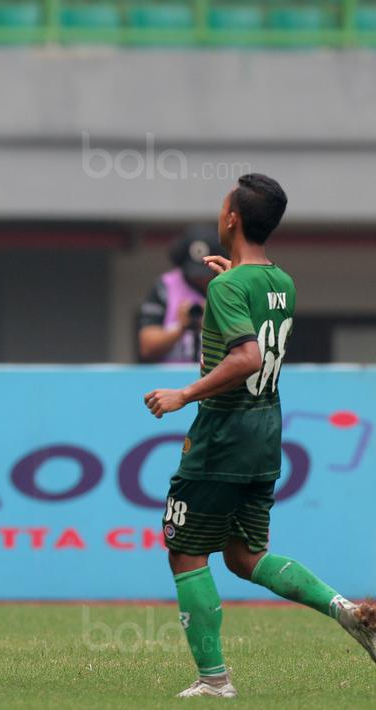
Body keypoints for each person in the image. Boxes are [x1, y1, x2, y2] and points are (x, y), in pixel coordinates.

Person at [144, 174, 376, 699]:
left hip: (223, 434)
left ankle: (213, 680)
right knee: (243, 555)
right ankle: (346, 610)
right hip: (267, 431)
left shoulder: (229, 288)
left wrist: (185, 393)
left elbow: (246, 357)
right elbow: (258, 336)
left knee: (185, 552)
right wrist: (233, 284)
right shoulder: (280, 282)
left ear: (231, 219)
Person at [137, 226, 223, 363]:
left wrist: (211, 324)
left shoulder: (229, 288)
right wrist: (181, 328)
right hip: (173, 380)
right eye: (194, 273)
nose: (200, 278)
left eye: (206, 272)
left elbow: (243, 347)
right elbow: (147, 347)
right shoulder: (165, 287)